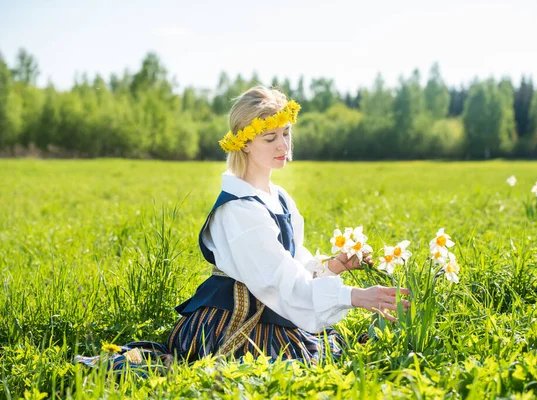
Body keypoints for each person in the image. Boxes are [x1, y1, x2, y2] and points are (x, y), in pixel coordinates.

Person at [75, 86, 409, 371]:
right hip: (232, 318)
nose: (283, 146)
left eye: (286, 134)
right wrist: (352, 296)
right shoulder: (239, 209)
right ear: (245, 144)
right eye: (270, 138)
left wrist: (330, 266)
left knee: (323, 349)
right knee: (294, 360)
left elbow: (289, 262)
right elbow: (280, 282)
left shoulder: (278, 197)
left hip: (270, 304)